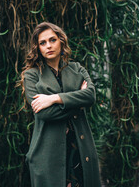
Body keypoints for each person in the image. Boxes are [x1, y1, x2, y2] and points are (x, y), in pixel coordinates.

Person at [21, 22, 101, 187]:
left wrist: (54, 98)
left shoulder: (77, 68)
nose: (48, 46)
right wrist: (78, 102)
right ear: (38, 47)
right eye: (43, 43)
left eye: (53, 40)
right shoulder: (31, 76)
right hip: (47, 157)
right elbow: (45, 114)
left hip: (81, 152)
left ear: (61, 42)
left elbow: (90, 96)